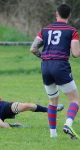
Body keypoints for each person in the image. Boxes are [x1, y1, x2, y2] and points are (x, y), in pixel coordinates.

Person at [30, 4, 80, 139]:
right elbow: (75, 54)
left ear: (56, 14)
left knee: (53, 101)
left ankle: (53, 134)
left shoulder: (45, 30)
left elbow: (33, 49)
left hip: (45, 66)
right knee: (75, 100)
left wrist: (45, 57)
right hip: (61, 66)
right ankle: (68, 124)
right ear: (69, 15)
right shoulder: (72, 31)